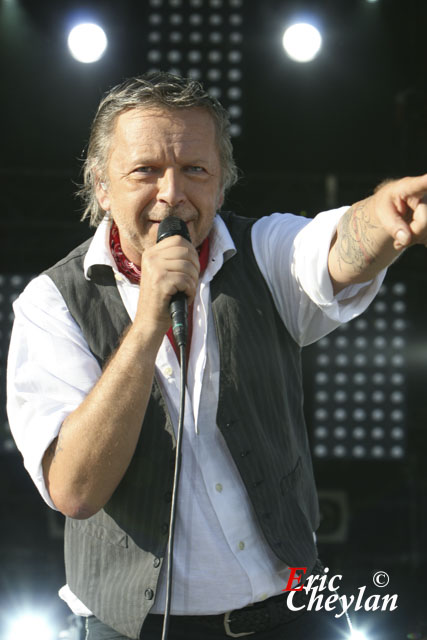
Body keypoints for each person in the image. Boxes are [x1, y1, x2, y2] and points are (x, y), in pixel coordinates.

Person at [6, 72, 427, 640]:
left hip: (287, 615)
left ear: (221, 184)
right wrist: (150, 319)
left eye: (195, 170)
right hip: (133, 626)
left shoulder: (262, 253)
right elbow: (76, 489)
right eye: (145, 170)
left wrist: (385, 215)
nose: (172, 193)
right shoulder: (52, 303)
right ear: (102, 185)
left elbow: (333, 248)